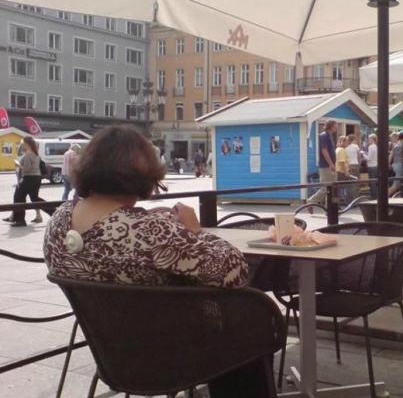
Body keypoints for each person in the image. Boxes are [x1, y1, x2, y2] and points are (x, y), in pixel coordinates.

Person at [43, 126, 272, 397]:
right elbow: (234, 270)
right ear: (144, 175)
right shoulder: (151, 231)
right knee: (247, 325)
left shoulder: (59, 220)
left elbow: (117, 241)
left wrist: (154, 223)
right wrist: (193, 231)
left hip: (113, 354)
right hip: (170, 356)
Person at [4, 137, 55, 227]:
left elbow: (26, 169)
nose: (22, 145)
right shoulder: (36, 154)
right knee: (35, 198)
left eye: (23, 144)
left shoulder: (28, 154)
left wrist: (18, 165)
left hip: (29, 178)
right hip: (36, 178)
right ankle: (53, 212)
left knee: (18, 197)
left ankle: (20, 220)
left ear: (27, 144)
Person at [307, 120, 337, 206]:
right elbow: (324, 150)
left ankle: (329, 207)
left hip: (331, 166)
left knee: (332, 188)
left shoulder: (330, 136)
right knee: (325, 188)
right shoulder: (324, 135)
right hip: (325, 166)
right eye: (335, 126)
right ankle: (311, 200)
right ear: (331, 126)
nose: (336, 128)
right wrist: (331, 164)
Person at [388, 132, 403, 196]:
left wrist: (389, 164)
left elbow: (391, 155)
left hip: (394, 165)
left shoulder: (395, 144)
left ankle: (401, 195)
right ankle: (385, 196)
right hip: (400, 165)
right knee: (396, 184)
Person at [345, 134, 361, 200]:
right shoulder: (356, 146)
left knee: (349, 183)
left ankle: (349, 200)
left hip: (349, 166)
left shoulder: (345, 148)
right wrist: (359, 164)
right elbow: (359, 156)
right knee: (356, 183)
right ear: (354, 139)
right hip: (355, 165)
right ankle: (356, 199)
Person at [364, 134, 378, 198]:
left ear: (372, 139)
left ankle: (373, 196)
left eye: (369, 139)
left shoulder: (371, 147)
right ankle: (376, 195)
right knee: (375, 182)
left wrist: (363, 154)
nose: (368, 140)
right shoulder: (376, 146)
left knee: (372, 182)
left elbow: (368, 158)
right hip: (376, 165)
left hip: (371, 166)